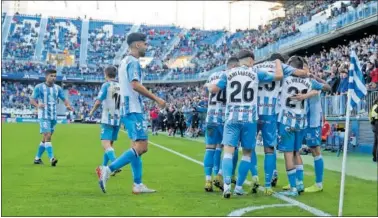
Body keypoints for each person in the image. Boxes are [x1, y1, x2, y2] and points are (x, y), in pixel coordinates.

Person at [207, 50, 284, 198]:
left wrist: (208, 85)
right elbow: (278, 76)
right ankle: (239, 187)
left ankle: (227, 186)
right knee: (247, 153)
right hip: (250, 119)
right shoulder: (256, 72)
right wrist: (278, 63)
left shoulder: (228, 73)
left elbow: (214, 89)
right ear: (250, 60)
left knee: (228, 152)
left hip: (231, 118)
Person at [96, 33, 166, 194]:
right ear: (137, 45)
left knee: (136, 147)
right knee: (142, 147)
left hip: (127, 108)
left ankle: (138, 184)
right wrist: (156, 98)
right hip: (133, 109)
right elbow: (135, 84)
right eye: (145, 44)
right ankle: (108, 169)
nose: (146, 47)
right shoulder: (133, 62)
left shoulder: (124, 62)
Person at [253, 53, 310, 195]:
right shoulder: (306, 81)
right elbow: (311, 78)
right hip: (297, 120)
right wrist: (306, 95)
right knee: (288, 151)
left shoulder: (258, 68)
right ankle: (299, 183)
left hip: (275, 116)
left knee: (250, 148)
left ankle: (259, 177)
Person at [277, 56, 331, 197]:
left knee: (310, 151)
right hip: (302, 121)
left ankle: (316, 183)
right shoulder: (309, 81)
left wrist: (307, 94)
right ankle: (297, 182)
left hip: (309, 121)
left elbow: (327, 87)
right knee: (296, 152)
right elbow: (326, 87)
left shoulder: (288, 79)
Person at [203, 56, 239, 192]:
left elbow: (207, 91)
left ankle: (208, 180)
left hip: (211, 116)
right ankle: (222, 175)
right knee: (230, 148)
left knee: (210, 148)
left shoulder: (213, 75)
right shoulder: (232, 75)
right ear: (234, 66)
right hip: (226, 117)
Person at [30, 69, 73, 166]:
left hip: (53, 116)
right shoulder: (39, 87)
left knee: (45, 138)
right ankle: (52, 158)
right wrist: (38, 105)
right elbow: (32, 100)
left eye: (54, 76)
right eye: (51, 76)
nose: (53, 78)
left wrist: (67, 105)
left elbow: (64, 99)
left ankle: (37, 159)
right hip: (44, 115)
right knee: (48, 136)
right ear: (46, 76)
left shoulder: (58, 88)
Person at [89, 66, 122, 176]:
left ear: (105, 74)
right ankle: (104, 168)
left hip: (107, 118)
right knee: (110, 145)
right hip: (117, 119)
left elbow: (98, 101)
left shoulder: (106, 85)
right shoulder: (120, 86)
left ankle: (115, 164)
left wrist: (92, 111)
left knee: (105, 144)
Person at [370, 97, 378, 162]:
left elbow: (370, 116)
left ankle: (374, 157)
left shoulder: (373, 106)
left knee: (375, 142)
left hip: (374, 124)